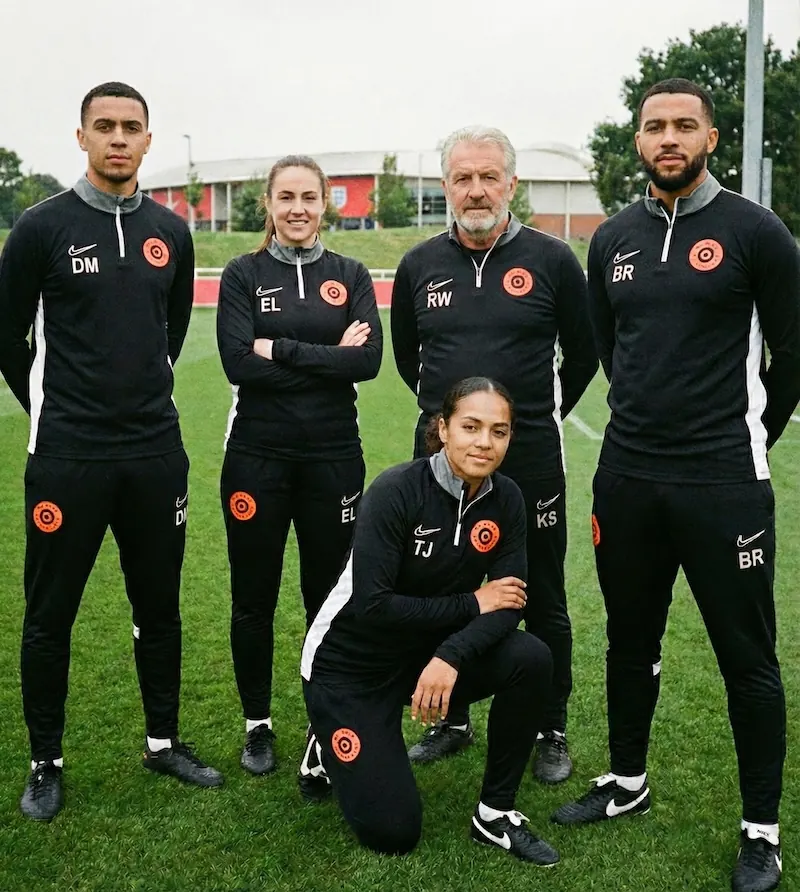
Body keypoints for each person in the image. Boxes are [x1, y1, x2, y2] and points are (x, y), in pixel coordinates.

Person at [552, 78, 800, 892]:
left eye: (684, 125)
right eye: (654, 125)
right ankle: (627, 781)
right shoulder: (612, 239)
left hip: (723, 481)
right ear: (638, 140)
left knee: (746, 657)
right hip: (627, 476)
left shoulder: (756, 232)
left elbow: (793, 352)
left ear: (710, 138)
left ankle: (760, 829)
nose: (669, 138)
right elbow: (609, 347)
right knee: (630, 639)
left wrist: (751, 434)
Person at [0, 82, 224, 823]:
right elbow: (7, 333)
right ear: (82, 137)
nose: (118, 138)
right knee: (50, 613)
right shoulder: (41, 227)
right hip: (69, 457)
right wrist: (49, 408)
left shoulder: (171, 231)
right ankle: (46, 761)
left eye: (131, 127)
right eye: (105, 126)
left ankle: (163, 742)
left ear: (148, 140)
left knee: (159, 605)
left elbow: (171, 329)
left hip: (156, 454)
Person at [391, 126, 597, 782]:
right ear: (445, 186)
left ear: (511, 184)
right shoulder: (419, 265)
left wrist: (531, 420)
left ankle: (550, 728)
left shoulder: (553, 259)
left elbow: (585, 354)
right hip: (439, 464)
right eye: (462, 178)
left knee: (542, 593)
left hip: (529, 460)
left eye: (488, 177)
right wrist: (451, 429)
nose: (475, 190)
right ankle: (451, 719)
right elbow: (407, 358)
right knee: (441, 586)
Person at [299, 377, 557, 863]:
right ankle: (323, 743)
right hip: (350, 669)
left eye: (499, 431)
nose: (484, 442)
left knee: (531, 657)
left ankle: (495, 814)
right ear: (443, 429)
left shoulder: (507, 499)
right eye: (470, 427)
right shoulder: (396, 490)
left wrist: (450, 655)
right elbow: (375, 606)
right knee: (393, 832)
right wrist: (471, 604)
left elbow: (509, 602)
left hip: (427, 656)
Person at [216, 154, 382, 776]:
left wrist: (279, 349)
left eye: (309, 197)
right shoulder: (242, 273)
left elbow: (368, 363)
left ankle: (322, 722)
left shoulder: (351, 273)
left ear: (324, 204)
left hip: (333, 459)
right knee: (253, 595)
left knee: (328, 595)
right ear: (268, 202)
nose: (297, 208)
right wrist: (329, 358)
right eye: (286, 197)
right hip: (256, 459)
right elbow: (238, 364)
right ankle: (257, 724)